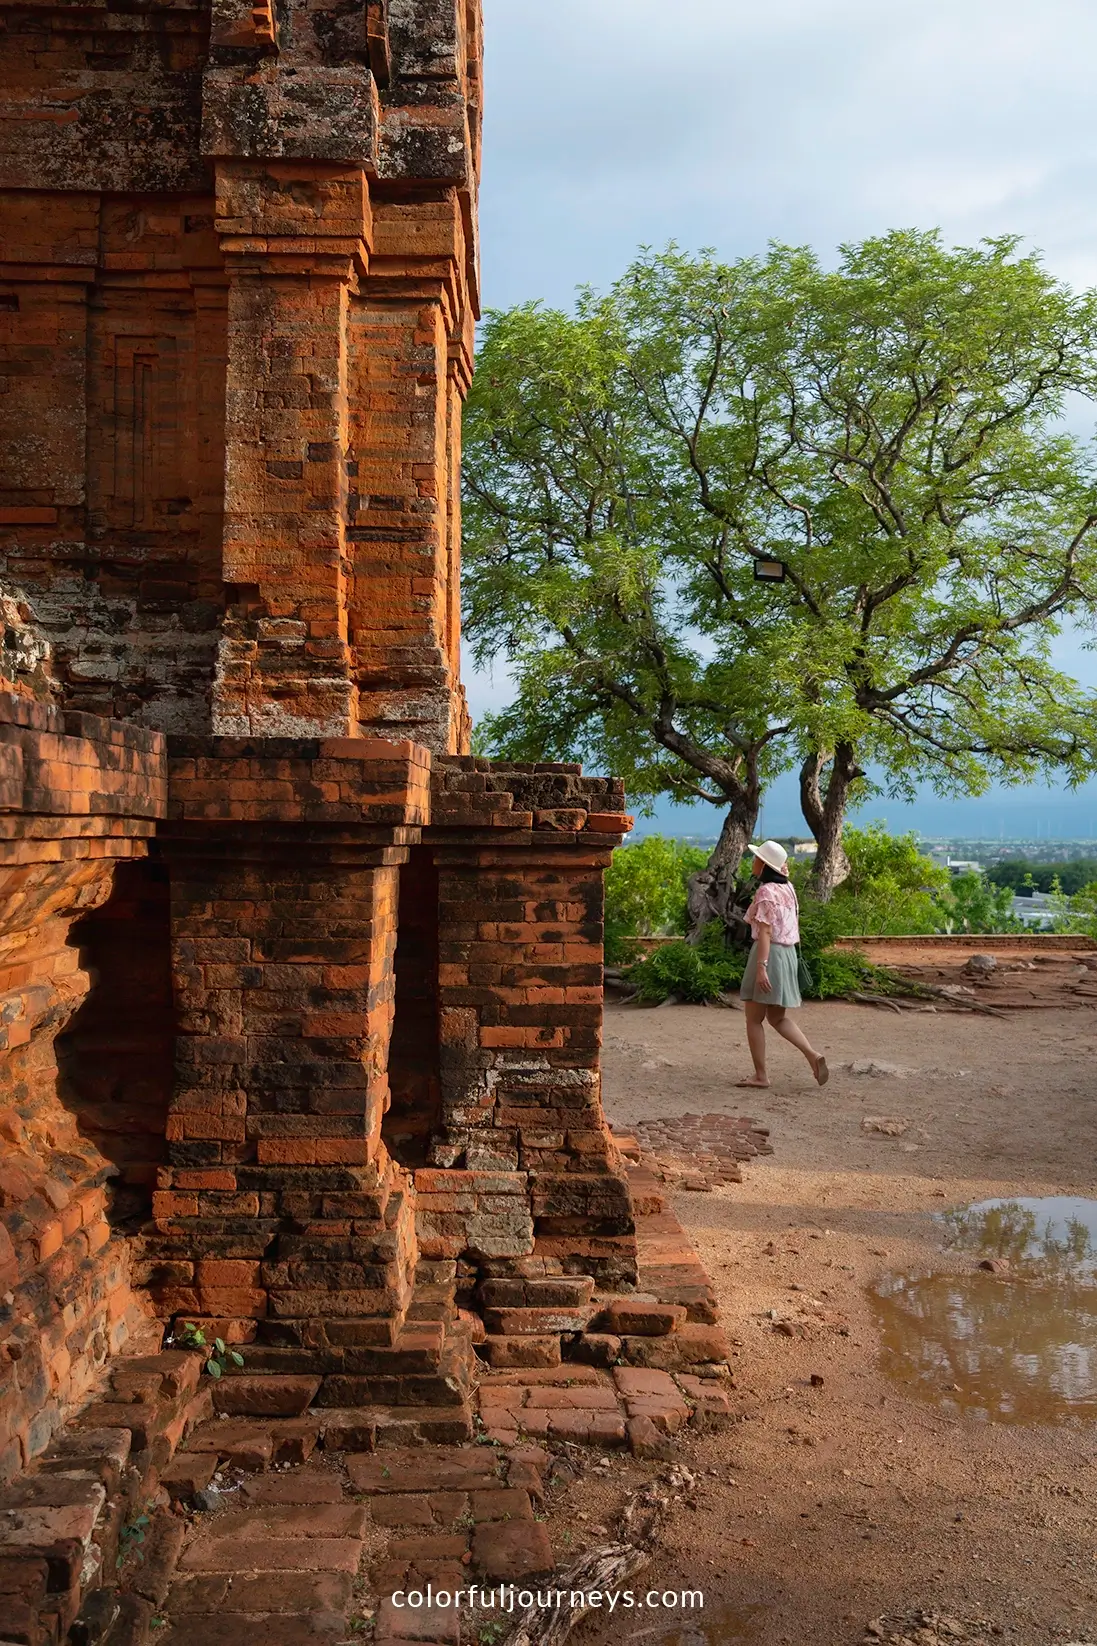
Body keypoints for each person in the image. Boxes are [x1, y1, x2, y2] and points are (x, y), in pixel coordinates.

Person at [736, 840, 828, 1090]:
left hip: (769, 955)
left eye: (757, 858)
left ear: (765, 865)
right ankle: (812, 1054)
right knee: (778, 1018)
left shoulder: (766, 892)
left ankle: (761, 1076)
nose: (753, 862)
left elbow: (765, 932)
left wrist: (761, 967)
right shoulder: (788, 888)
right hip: (787, 955)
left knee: (754, 1019)